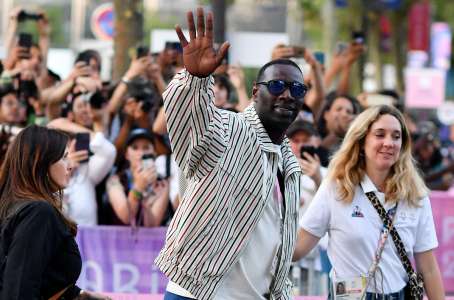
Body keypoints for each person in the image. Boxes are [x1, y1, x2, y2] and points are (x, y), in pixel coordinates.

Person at [155, 8, 306, 300]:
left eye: (297, 89)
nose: (287, 95)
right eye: (276, 85)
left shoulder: (289, 164)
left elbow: (279, 241)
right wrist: (194, 80)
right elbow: (188, 126)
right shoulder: (227, 128)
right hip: (196, 294)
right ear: (254, 92)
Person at [293, 105, 445, 299]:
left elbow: (428, 268)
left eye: (396, 136)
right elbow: (297, 249)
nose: (389, 143)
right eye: (380, 134)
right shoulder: (337, 188)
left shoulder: (415, 195)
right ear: (362, 140)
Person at [0, 125, 110, 299]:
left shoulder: (14, 206)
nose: (70, 166)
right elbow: (19, 289)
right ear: (40, 161)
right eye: (64, 158)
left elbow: (39, 277)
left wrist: (76, 295)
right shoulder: (38, 213)